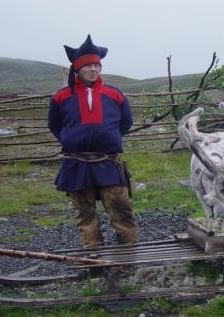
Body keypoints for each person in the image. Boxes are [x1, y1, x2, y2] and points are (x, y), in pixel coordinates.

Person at [48, 35, 137, 247]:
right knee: (85, 215)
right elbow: (55, 125)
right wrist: (72, 141)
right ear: (77, 69)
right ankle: (94, 257)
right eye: (88, 65)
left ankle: (129, 255)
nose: (94, 69)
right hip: (76, 163)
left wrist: (108, 139)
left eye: (97, 65)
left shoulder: (115, 94)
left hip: (108, 162)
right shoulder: (61, 97)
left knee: (121, 211)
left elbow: (126, 122)